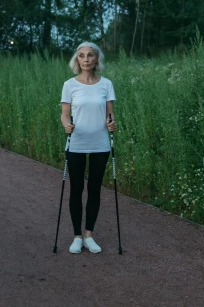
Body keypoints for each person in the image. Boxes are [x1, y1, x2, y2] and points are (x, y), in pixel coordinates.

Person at [60, 41, 117, 254]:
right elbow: (65, 115)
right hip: (76, 142)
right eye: (82, 55)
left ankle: (89, 235)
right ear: (77, 59)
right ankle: (76, 236)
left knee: (94, 189)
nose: (85, 59)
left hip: (100, 144)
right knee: (76, 189)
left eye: (90, 55)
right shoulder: (69, 85)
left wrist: (112, 124)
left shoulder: (106, 84)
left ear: (96, 59)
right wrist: (66, 125)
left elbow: (110, 115)